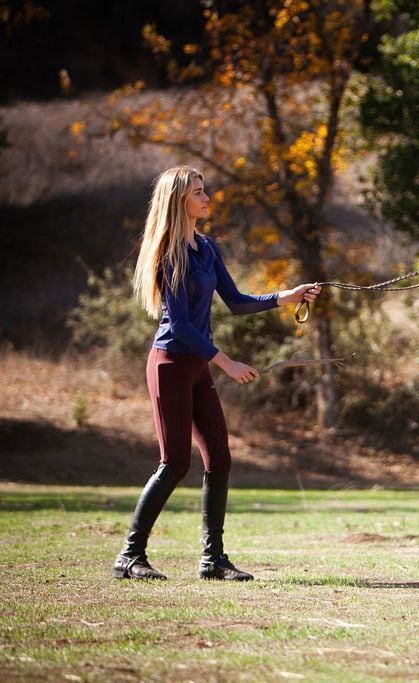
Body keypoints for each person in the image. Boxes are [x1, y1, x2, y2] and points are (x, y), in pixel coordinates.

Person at [113, 165, 321, 581]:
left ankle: (213, 561)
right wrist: (226, 361)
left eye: (205, 191)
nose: (207, 198)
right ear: (179, 201)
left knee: (219, 459)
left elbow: (238, 302)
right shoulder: (168, 252)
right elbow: (183, 325)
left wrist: (288, 296)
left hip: (197, 367)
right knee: (174, 463)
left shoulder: (206, 248)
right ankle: (129, 556)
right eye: (199, 193)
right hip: (170, 365)